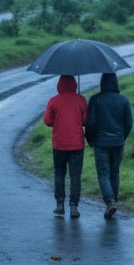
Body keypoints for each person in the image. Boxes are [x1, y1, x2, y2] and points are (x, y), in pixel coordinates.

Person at [84, 72, 133, 218]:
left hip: (101, 143)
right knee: (115, 172)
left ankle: (110, 201)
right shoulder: (123, 100)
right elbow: (129, 123)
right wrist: (122, 137)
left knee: (103, 173)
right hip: (118, 142)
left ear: (102, 83)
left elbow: (90, 123)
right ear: (115, 83)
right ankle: (114, 201)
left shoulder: (95, 100)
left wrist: (90, 139)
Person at [43, 75, 88, 218]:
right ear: (74, 84)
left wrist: (57, 122)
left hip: (59, 143)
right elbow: (85, 120)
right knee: (75, 175)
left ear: (59, 85)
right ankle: (74, 206)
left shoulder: (53, 100)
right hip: (76, 143)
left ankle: (60, 204)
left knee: (59, 172)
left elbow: (47, 120)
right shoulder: (81, 100)